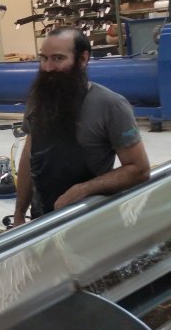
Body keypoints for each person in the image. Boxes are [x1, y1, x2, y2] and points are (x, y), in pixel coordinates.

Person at [12, 27, 151, 226]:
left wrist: (84, 189)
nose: (48, 67)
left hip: (88, 221)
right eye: (44, 58)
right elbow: (29, 155)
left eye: (58, 58)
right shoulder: (39, 98)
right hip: (41, 220)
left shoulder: (111, 105)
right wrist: (19, 214)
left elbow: (139, 169)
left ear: (83, 59)